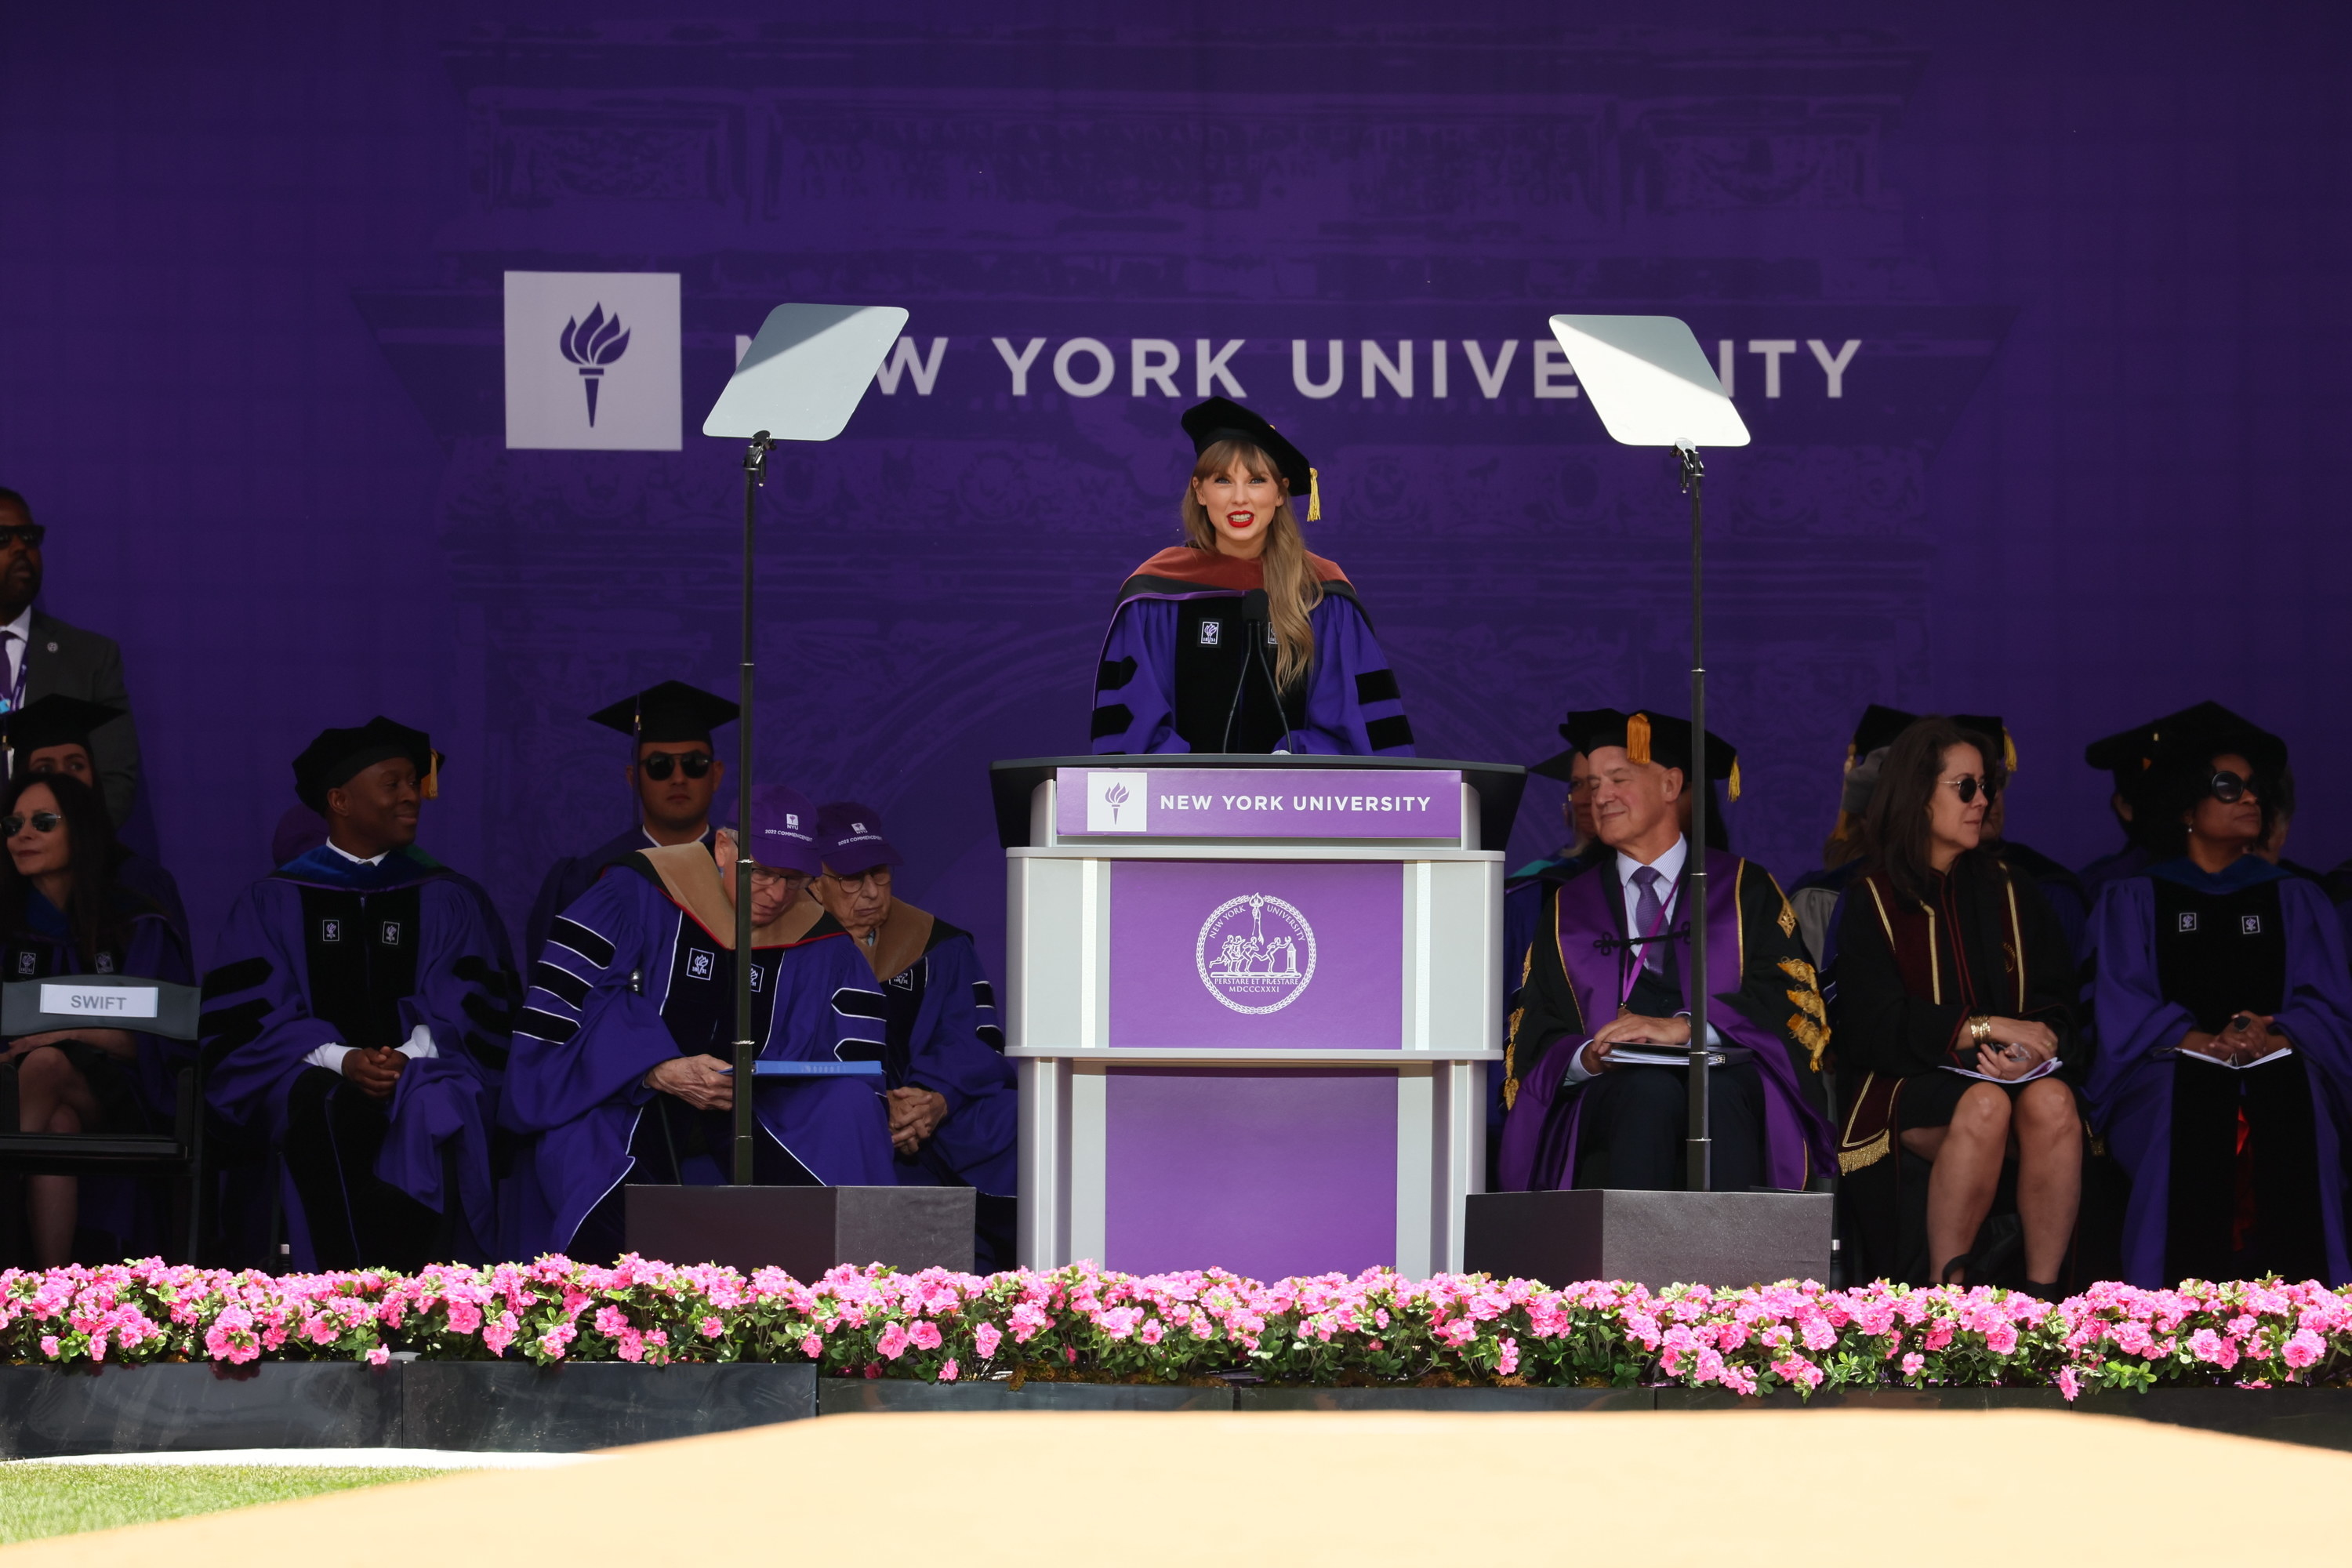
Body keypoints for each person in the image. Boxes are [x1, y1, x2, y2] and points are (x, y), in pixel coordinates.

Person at [499, 784, 895, 1263]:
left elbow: (851, 1050)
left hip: (761, 1109)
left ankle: (850, 1298)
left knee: (849, 1101)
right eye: (763, 872)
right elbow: (574, 1003)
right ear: (724, 848)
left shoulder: (820, 936)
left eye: (792, 879)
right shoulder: (637, 890)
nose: (775, 894)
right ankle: (623, 1316)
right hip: (634, 1095)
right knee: (588, 1148)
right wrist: (653, 1066)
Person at [199, 719, 513, 1270]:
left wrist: (406, 1057)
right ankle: (339, 1300)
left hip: (428, 1068)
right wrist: (342, 1060)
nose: (411, 795)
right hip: (307, 1074)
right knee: (325, 1103)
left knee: (438, 1102)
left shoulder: (448, 897)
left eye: (414, 782)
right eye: (392, 783)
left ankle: (430, 1300)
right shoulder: (272, 901)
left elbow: (472, 1005)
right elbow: (251, 1020)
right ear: (340, 800)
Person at [1498, 709, 1831, 1193]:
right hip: (1613, 1095)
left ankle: (1735, 1270)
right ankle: (1629, 1270)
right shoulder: (1566, 907)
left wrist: (1688, 1028)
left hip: (1728, 1087)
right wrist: (1587, 1057)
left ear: (1671, 785)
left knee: (1712, 1093)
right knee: (1647, 1092)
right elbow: (1533, 1025)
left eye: (1618, 779)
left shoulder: (1743, 890)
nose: (1599, 797)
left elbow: (1792, 1002)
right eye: (1592, 784)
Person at [2085, 717, 2352, 1286]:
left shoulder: (2297, 897)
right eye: (2230, 787)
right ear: (2187, 807)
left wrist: (2274, 1035)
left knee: (2297, 1092)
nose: (2252, 797)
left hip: (2279, 1061)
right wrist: (2197, 1041)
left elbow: (2329, 1006)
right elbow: (2121, 1004)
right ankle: (2163, 1320)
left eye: (2256, 786)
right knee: (2185, 1099)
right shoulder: (2134, 898)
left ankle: (2312, 1325)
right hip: (2166, 1066)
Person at [1828, 718, 2083, 1290]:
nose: (1983, 801)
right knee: (1985, 1106)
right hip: (1903, 1084)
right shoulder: (1872, 898)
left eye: (1986, 786)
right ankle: (1950, 1298)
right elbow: (1871, 1026)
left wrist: (2031, 1048)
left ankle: (2045, 1300)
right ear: (1919, 796)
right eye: (1964, 787)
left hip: (2007, 1077)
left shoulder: (2013, 891)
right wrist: (1988, 1027)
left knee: (2054, 1101)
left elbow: (2059, 1003)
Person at [1089, 398, 1413, 757]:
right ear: (1200, 491)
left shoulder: (1322, 595)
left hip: (1301, 803)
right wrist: (1192, 780)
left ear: (1279, 492)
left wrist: (1294, 763)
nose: (1240, 499)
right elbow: (1131, 727)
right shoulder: (1155, 594)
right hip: (1179, 805)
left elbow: (1360, 725)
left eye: (1257, 480)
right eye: (1223, 480)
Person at [809, 801, 1018, 1268]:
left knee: (1025, 1118)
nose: (870, 892)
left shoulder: (936, 943)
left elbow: (975, 1037)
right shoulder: (790, 946)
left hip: (939, 1120)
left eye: (879, 874)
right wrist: (879, 1106)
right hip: (839, 1116)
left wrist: (934, 1097)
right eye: (850, 878)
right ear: (814, 882)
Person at [0, 771, 193, 1265]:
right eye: (13, 823)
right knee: (57, 1126)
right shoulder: (8, 925)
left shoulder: (135, 923)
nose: (22, 835)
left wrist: (68, 1030)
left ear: (80, 831)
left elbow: (156, 1040)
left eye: (43, 822)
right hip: (24, 1091)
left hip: (127, 1095)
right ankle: (46, 1291)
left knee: (44, 1063)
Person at [524, 681, 735, 964]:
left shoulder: (750, 873)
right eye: (659, 765)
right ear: (633, 778)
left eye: (694, 763)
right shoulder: (590, 876)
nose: (678, 778)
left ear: (716, 774)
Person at [0, 489, 143, 827]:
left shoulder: (90, 658)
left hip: (61, 867)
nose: (21, 548)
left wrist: (59, 847)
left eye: (30, 536)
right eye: (3, 537)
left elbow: (114, 780)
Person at [2, 694, 189, 949]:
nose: (63, 780)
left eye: (76, 766)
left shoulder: (143, 885)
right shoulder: (9, 883)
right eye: (45, 769)